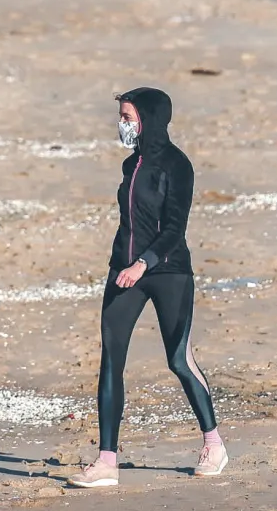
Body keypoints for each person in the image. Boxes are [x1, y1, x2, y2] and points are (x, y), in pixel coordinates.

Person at [70, 88, 226, 487]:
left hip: (169, 271)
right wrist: (127, 263)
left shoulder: (178, 165)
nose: (122, 124)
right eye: (121, 117)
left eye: (127, 117)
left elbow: (175, 229)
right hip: (124, 271)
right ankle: (107, 461)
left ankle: (213, 443)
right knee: (111, 359)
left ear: (149, 119)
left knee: (178, 359)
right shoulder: (130, 165)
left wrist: (144, 264)